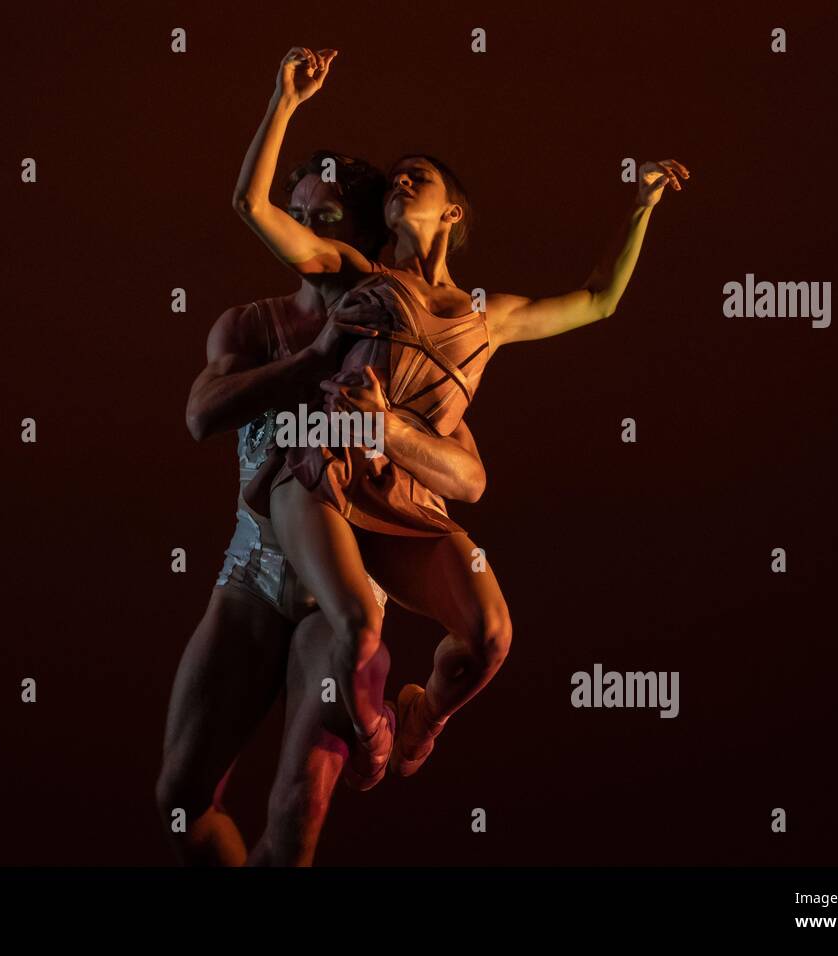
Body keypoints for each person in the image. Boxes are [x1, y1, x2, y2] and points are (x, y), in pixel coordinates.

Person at [232, 47, 691, 787]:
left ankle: (423, 722)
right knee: (358, 627)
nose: (402, 177)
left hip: (406, 493)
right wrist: (284, 102)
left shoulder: (487, 316)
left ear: (451, 211)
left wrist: (639, 208)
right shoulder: (360, 272)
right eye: (398, 173)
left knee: (489, 635)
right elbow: (253, 210)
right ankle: (370, 731)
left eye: (422, 174)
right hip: (327, 472)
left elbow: (598, 299)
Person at [157, 151, 488, 866]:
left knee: (297, 811)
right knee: (180, 799)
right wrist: (313, 361)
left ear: (360, 240)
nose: (302, 232)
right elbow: (199, 415)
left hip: (342, 590)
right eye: (297, 215)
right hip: (252, 577)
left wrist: (396, 432)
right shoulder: (255, 326)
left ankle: (385, 732)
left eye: (324, 220)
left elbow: (465, 470)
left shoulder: (398, 348)